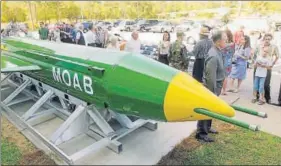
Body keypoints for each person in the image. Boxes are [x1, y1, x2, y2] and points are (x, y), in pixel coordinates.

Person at [196, 31, 227, 143]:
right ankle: (201, 133)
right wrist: (211, 94)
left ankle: (207, 128)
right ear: (218, 42)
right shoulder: (213, 55)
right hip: (211, 88)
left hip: (216, 87)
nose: (226, 41)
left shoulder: (218, 51)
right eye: (225, 39)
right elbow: (210, 77)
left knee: (211, 109)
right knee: (206, 109)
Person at [254, 33, 279, 103]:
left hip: (267, 67)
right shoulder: (259, 46)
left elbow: (277, 56)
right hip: (258, 66)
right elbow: (255, 54)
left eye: (269, 39)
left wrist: (273, 64)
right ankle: (257, 97)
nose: (267, 40)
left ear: (271, 39)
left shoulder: (274, 46)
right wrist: (254, 63)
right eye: (266, 39)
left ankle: (267, 98)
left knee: (266, 84)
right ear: (264, 39)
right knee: (256, 83)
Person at [221, 29, 235, 95]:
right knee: (225, 76)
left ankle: (223, 90)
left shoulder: (226, 44)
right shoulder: (232, 44)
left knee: (224, 77)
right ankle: (224, 90)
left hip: (224, 61)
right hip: (229, 61)